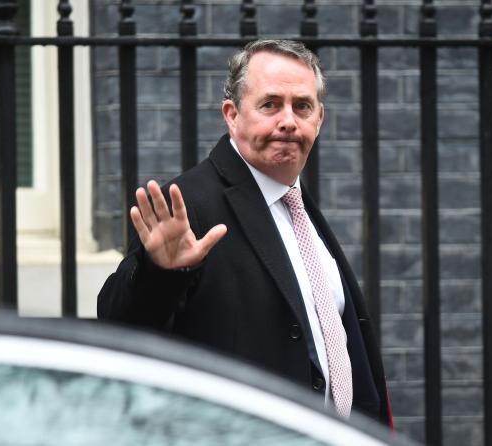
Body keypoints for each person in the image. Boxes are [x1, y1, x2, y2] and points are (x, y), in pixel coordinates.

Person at [98, 39, 392, 426]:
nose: (288, 120)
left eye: (301, 106)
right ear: (232, 115)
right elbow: (120, 330)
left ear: (319, 120)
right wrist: (160, 273)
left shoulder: (297, 206)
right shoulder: (186, 206)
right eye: (270, 104)